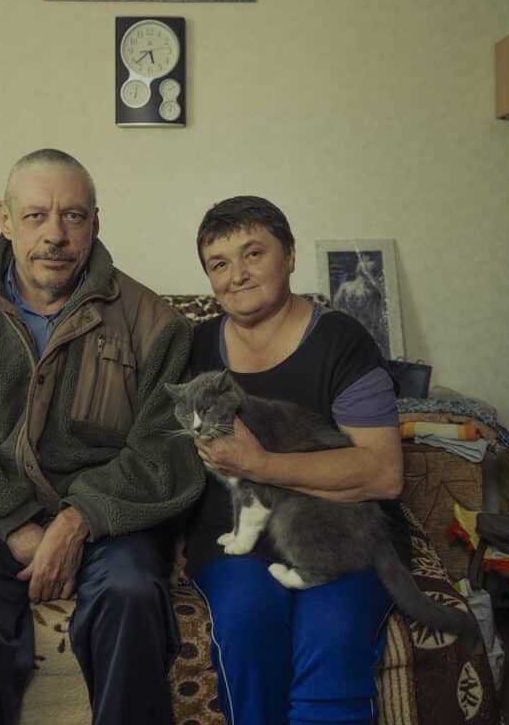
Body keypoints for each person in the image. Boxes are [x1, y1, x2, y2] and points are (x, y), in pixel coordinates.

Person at [0, 148, 204, 725]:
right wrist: (14, 524)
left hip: (112, 523)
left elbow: (166, 446)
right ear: (6, 220)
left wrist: (78, 519)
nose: (55, 234)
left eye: (73, 216)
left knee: (134, 594)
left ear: (95, 224)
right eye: (36, 216)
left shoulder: (155, 322)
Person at [183, 195, 409, 725]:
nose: (237, 275)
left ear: (288, 255)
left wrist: (259, 464)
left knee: (331, 632)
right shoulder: (193, 348)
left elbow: (384, 473)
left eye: (252, 254)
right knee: (244, 618)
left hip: (340, 531)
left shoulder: (342, 342)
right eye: (219, 264)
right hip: (234, 543)